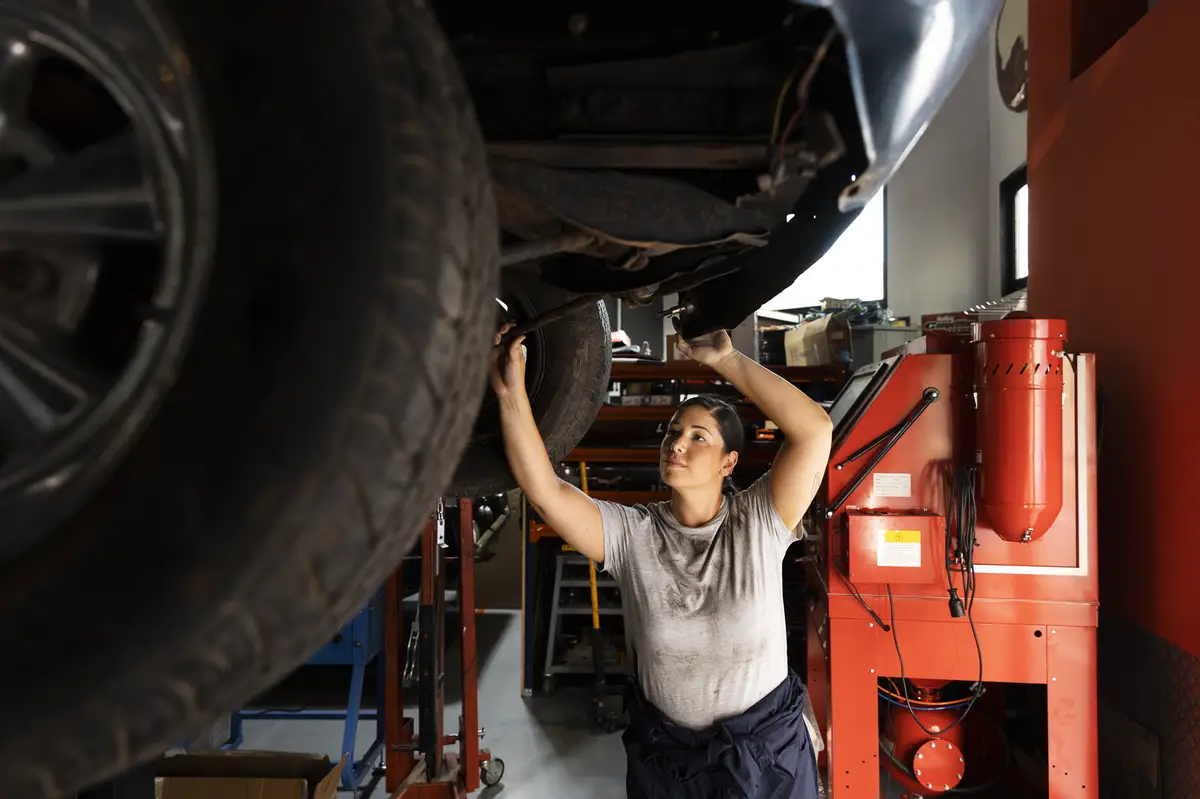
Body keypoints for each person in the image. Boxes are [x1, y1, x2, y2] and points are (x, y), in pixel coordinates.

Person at [490, 324, 832, 799]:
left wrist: (727, 361)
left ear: (728, 463)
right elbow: (545, 491)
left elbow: (814, 431)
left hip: (766, 758)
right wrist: (509, 388)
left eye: (698, 437)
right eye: (673, 432)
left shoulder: (759, 521)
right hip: (670, 762)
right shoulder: (633, 536)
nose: (677, 444)